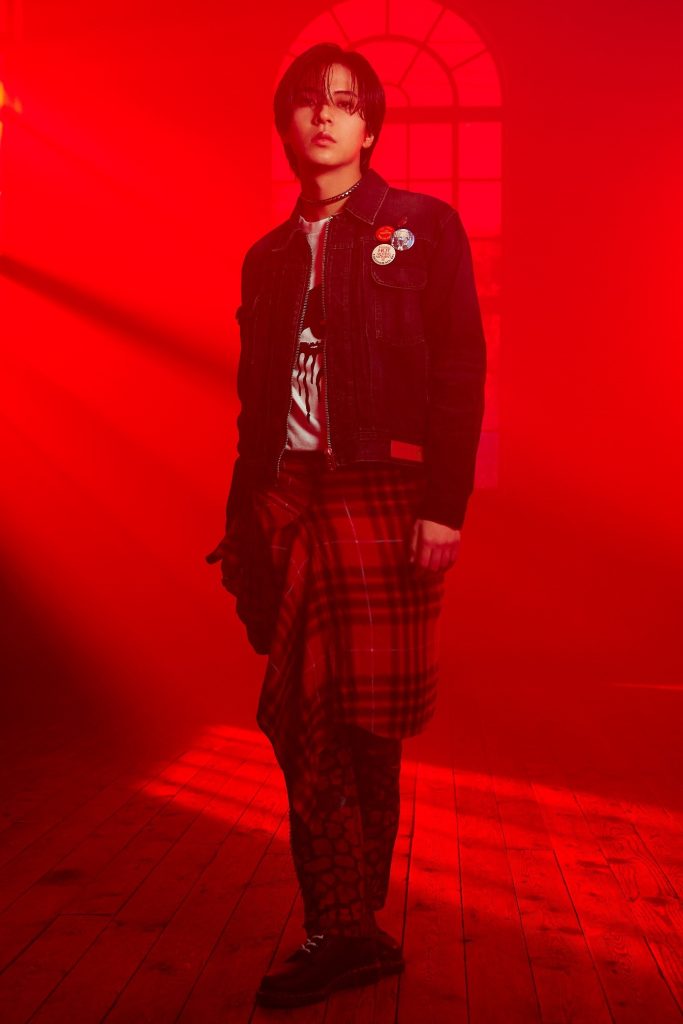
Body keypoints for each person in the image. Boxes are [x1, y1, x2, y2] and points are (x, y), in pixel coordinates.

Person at [206, 41, 487, 1009]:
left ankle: (349, 925)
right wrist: (241, 519)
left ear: (369, 126)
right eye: (306, 101)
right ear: (285, 125)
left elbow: (459, 371)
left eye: (344, 102)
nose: (323, 116)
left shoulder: (424, 227)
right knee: (302, 714)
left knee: (366, 724)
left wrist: (444, 505)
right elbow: (253, 406)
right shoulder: (267, 256)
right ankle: (347, 926)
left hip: (382, 493)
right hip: (287, 496)